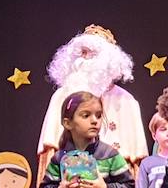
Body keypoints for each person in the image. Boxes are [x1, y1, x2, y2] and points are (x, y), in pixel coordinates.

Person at [37, 26, 148, 177]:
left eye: (92, 54)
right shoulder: (61, 96)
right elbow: (50, 153)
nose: (85, 59)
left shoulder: (126, 101)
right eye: (83, 53)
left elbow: (134, 167)